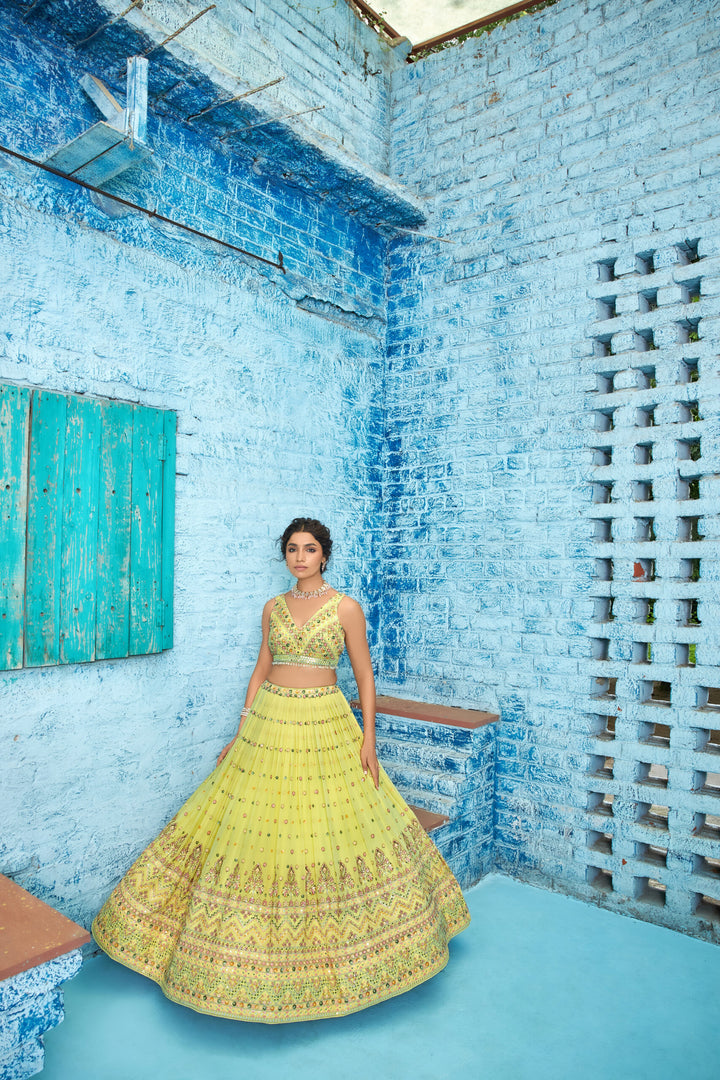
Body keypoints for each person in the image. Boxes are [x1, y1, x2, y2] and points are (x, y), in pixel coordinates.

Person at [92, 518, 470, 1023]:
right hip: (269, 719)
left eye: (309, 549)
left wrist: (370, 739)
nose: (299, 557)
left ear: (324, 556)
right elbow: (261, 667)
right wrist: (241, 728)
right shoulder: (272, 608)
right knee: (260, 828)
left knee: (322, 830)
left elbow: (363, 673)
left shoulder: (346, 608)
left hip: (324, 720)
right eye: (292, 549)